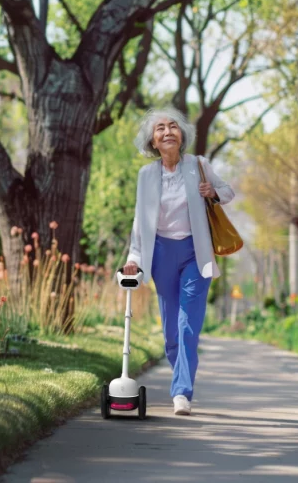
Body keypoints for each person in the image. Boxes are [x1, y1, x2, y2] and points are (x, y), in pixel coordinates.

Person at [123, 107, 234, 416]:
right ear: (153, 141)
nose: (168, 131)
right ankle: (180, 376)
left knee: (188, 325)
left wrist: (212, 191)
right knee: (171, 330)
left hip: (195, 253)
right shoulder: (146, 175)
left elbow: (228, 191)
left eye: (173, 126)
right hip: (160, 254)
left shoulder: (198, 165)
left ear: (182, 135)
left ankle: (181, 392)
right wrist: (134, 257)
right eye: (160, 129)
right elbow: (139, 221)